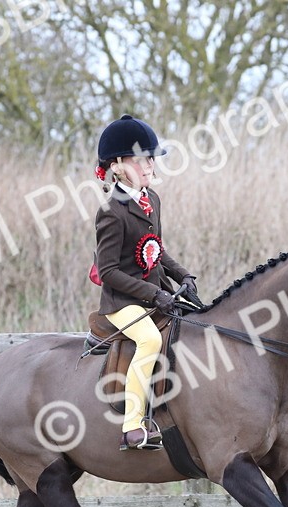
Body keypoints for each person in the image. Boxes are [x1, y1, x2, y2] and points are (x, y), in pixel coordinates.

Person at [93, 114, 200, 451]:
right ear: (118, 166)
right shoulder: (111, 211)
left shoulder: (151, 199)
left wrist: (182, 274)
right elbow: (108, 271)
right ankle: (132, 426)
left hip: (156, 295)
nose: (150, 165)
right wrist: (154, 293)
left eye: (151, 159)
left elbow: (155, 249)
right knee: (150, 340)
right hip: (122, 303)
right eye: (141, 160)